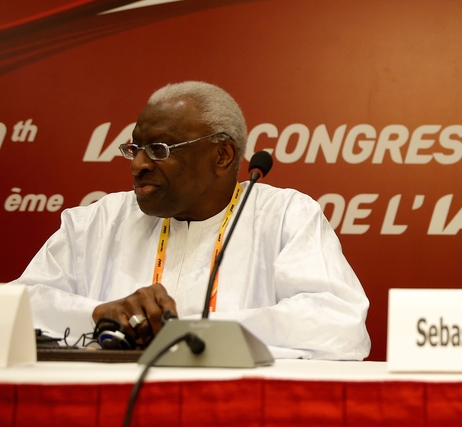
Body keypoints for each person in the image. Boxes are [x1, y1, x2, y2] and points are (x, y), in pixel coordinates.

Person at [13, 81, 371, 360]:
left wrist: (195, 333)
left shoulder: (284, 216)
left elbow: (339, 324)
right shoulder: (97, 221)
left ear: (222, 155)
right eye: (135, 148)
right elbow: (13, 309)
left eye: (159, 149)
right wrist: (99, 313)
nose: (137, 165)